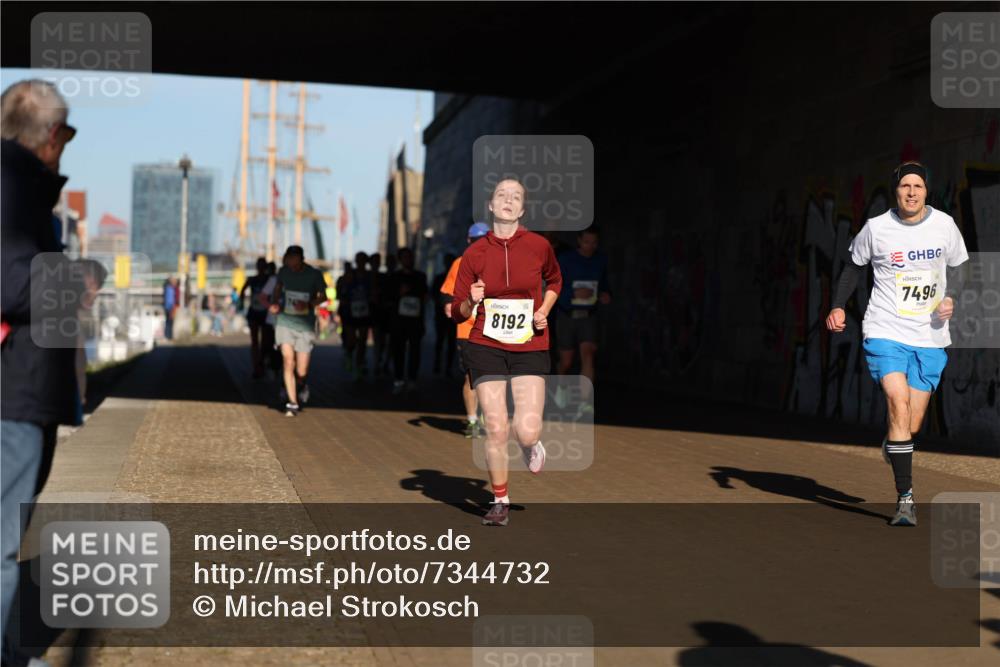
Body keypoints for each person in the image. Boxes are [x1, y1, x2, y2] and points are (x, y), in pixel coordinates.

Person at [1, 79, 102, 665]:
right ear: (51, 136)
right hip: (13, 389)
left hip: (25, 387)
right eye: (67, 133)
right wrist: (75, 279)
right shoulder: (11, 184)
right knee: (1, 545)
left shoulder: (20, 184)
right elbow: (11, 283)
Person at [825, 161, 968, 527]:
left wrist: (951, 297)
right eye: (905, 186)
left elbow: (960, 267)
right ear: (896, 191)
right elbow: (853, 267)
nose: (911, 192)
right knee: (897, 402)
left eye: (918, 186)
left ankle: (895, 443)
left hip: (930, 336)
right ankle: (906, 499)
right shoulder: (877, 228)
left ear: (926, 191)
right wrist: (838, 305)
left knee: (912, 422)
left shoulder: (944, 225)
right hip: (885, 329)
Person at [450, 178, 562, 526]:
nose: (508, 200)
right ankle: (500, 501)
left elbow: (555, 281)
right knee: (496, 428)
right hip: (486, 344)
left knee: (526, 431)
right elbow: (457, 311)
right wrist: (472, 301)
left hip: (530, 343)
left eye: (516, 197)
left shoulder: (539, 246)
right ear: (491, 205)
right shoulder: (474, 254)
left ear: (522, 209)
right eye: (502, 195)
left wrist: (543, 309)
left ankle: (530, 444)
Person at [441, 222, 491, 437]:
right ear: (469, 241)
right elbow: (447, 292)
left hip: (494, 329)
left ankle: (487, 416)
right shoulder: (459, 264)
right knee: (472, 376)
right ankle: (472, 420)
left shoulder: (501, 263)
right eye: (477, 241)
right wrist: (448, 305)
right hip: (467, 329)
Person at [555, 226, 611, 416]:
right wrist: (572, 294)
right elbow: (554, 287)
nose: (590, 246)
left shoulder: (600, 260)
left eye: (594, 243)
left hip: (589, 315)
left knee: (588, 354)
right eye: (587, 242)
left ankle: (585, 402)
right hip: (567, 315)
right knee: (566, 360)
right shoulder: (565, 260)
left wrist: (605, 294)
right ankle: (561, 384)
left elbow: (605, 284)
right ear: (579, 241)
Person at [267, 245, 327, 417]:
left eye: (293, 259)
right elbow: (278, 288)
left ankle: (301, 384)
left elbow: (323, 296)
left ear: (301, 259)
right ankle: (292, 403)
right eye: (288, 259)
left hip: (305, 325)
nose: (290, 263)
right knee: (288, 361)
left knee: (301, 371)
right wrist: (275, 302)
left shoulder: (314, 274)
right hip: (285, 322)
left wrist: (308, 304)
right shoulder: (283, 272)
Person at [387, 247, 428, 394]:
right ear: (400, 260)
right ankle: (398, 379)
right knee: (398, 350)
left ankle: (412, 379)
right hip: (399, 321)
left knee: (415, 350)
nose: (408, 260)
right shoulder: (394, 277)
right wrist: (398, 293)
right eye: (404, 257)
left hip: (415, 321)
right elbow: (388, 297)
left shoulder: (420, 276)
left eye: (409, 257)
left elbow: (425, 296)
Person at [240, 258, 270, 377]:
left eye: (262, 266)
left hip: (265, 312)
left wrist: (242, 303)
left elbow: (242, 292)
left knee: (264, 342)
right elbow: (242, 291)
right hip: (255, 312)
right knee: (255, 341)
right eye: (259, 266)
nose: (261, 268)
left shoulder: (268, 280)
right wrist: (242, 303)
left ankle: (260, 363)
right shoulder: (253, 279)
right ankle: (257, 366)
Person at [432, 252, 458, 375]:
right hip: (441, 315)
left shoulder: (457, 279)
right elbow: (434, 295)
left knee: (449, 342)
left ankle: (446, 367)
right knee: (441, 341)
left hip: (452, 316)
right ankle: (439, 365)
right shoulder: (439, 278)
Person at [369, 252, 393, 376]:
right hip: (378, 313)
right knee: (379, 341)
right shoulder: (376, 277)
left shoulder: (387, 277)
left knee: (386, 341)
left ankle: (382, 363)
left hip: (387, 313)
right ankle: (378, 363)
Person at [335, 261, 356, 370]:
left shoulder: (356, 280)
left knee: (352, 334)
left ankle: (351, 353)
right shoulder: (341, 280)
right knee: (347, 332)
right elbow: (338, 295)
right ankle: (349, 352)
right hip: (346, 311)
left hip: (356, 311)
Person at [163, 275, 177, 340]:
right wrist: (172, 307)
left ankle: (168, 335)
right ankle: (169, 336)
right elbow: (170, 300)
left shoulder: (167, 287)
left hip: (168, 307)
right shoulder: (170, 289)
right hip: (170, 307)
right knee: (170, 322)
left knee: (168, 322)